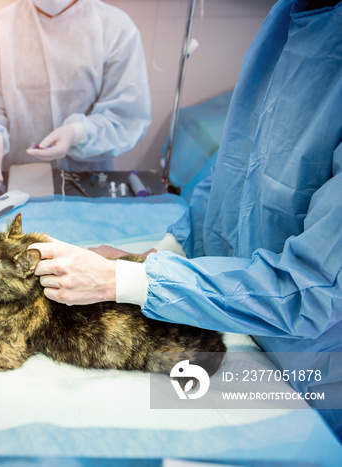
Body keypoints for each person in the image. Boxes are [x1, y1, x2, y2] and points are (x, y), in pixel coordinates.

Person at [30, 0, 342, 439]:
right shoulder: (287, 17)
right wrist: (155, 256)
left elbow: (310, 292)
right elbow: (236, 168)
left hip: (313, 370)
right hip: (237, 320)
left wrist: (122, 281)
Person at [0, 0, 151, 189]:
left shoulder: (115, 28)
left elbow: (125, 115)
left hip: (88, 183)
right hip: (17, 183)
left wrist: (77, 133)